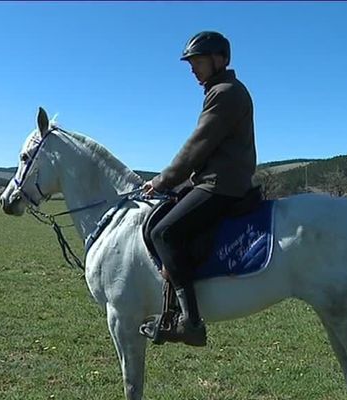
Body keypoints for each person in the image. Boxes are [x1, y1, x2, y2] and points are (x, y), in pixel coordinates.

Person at [141, 31, 257, 346]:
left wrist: (162, 179)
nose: (193, 69)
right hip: (215, 180)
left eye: (198, 62)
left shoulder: (225, 92)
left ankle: (190, 321)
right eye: (191, 64)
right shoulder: (223, 90)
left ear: (219, 59)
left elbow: (198, 147)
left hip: (222, 185)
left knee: (163, 232)